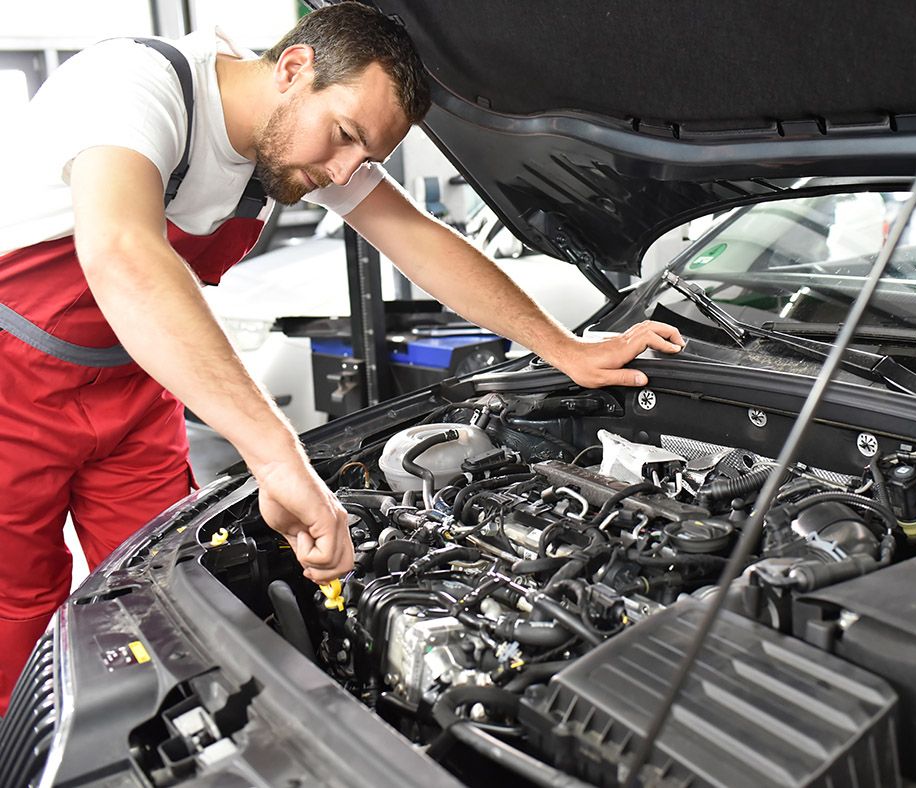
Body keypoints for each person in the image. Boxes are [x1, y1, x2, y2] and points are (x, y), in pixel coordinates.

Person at [0, 1, 683, 714]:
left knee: (164, 599)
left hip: (137, 388)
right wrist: (275, 456)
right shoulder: (137, 83)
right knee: (16, 610)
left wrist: (564, 348)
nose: (343, 172)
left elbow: (422, 242)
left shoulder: (299, 144)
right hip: (12, 384)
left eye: (365, 159)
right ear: (294, 68)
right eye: (345, 137)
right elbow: (123, 254)